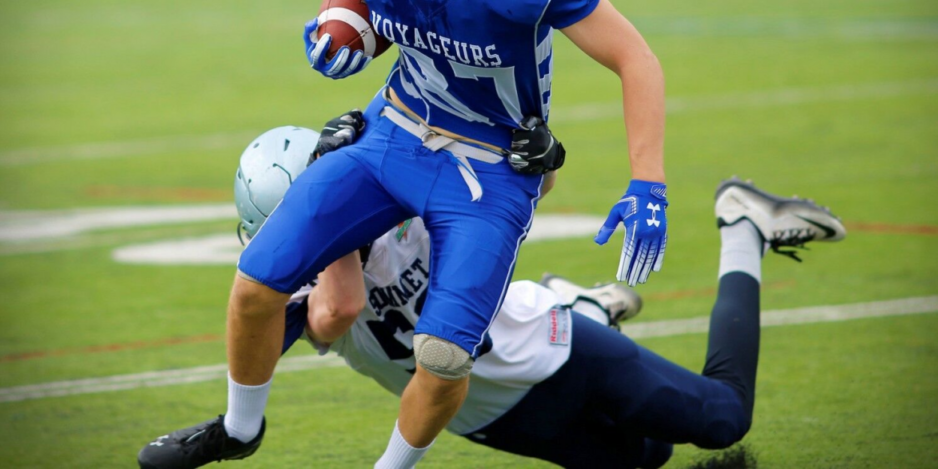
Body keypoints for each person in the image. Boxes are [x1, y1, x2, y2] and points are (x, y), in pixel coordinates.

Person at [140, 0, 669, 468]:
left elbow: (636, 59)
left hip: (490, 164)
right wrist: (341, 13)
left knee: (445, 357)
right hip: (395, 132)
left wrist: (647, 179)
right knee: (256, 282)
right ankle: (240, 431)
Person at [140, 125, 847, 469]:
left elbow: (524, 190)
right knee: (647, 457)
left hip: (545, 350)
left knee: (722, 420)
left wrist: (540, 157)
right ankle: (587, 300)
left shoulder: (391, 191)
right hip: (483, 413)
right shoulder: (295, 292)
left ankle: (740, 227)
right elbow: (334, 313)